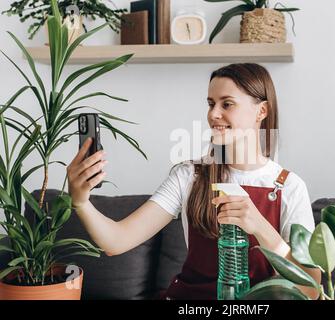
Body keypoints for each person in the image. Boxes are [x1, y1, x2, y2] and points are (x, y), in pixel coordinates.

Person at [67, 63, 321, 300]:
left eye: (227, 104)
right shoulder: (190, 175)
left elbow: (310, 289)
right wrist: (81, 201)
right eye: (211, 104)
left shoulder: (288, 186)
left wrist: (261, 227)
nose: (213, 114)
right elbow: (116, 241)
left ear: (261, 111)